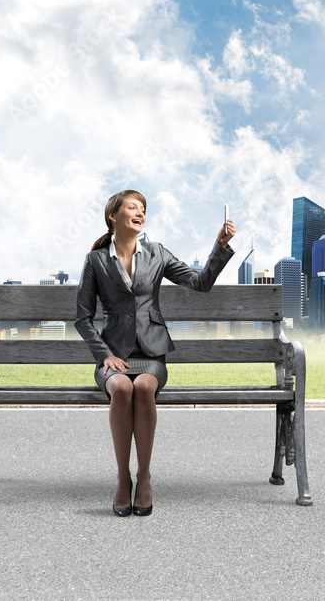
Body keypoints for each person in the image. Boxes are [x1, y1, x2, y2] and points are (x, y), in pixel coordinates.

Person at [75, 190, 235, 516]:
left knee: (143, 387)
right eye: (132, 207)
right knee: (121, 387)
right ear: (113, 216)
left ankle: (143, 477)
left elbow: (200, 283)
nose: (140, 213)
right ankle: (123, 478)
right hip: (113, 356)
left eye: (143, 209)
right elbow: (82, 318)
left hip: (151, 355)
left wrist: (220, 247)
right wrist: (104, 354)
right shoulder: (95, 261)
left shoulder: (157, 253)